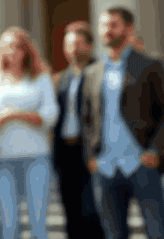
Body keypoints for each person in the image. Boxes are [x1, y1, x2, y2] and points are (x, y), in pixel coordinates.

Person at [82, 7, 164, 239]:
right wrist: (90, 156)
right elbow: (86, 118)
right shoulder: (92, 72)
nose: (107, 30)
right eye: (103, 25)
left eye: (113, 25)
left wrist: (155, 149)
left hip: (142, 163)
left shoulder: (150, 65)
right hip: (105, 167)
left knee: (157, 233)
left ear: (129, 29)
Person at [0, 27, 58, 239]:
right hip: (2, 159)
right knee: (8, 224)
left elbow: (50, 116)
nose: (11, 52)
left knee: (37, 223)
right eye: (6, 47)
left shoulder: (41, 78)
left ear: (26, 51)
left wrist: (12, 115)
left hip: (36, 158)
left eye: (16, 47)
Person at [51, 28, 103, 239]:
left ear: (89, 46)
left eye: (79, 44)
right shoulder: (61, 78)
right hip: (65, 152)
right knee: (70, 209)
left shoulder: (100, 72)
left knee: (92, 210)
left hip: (90, 150)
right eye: (69, 45)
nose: (73, 49)